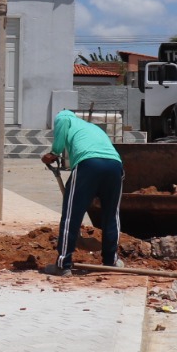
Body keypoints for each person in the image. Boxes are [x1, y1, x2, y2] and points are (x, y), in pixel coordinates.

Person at [42, 109, 125, 275]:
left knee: (71, 215)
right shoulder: (92, 128)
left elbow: (63, 120)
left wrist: (54, 152)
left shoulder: (65, 117)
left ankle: (63, 264)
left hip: (88, 164)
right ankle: (111, 261)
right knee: (111, 215)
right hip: (115, 166)